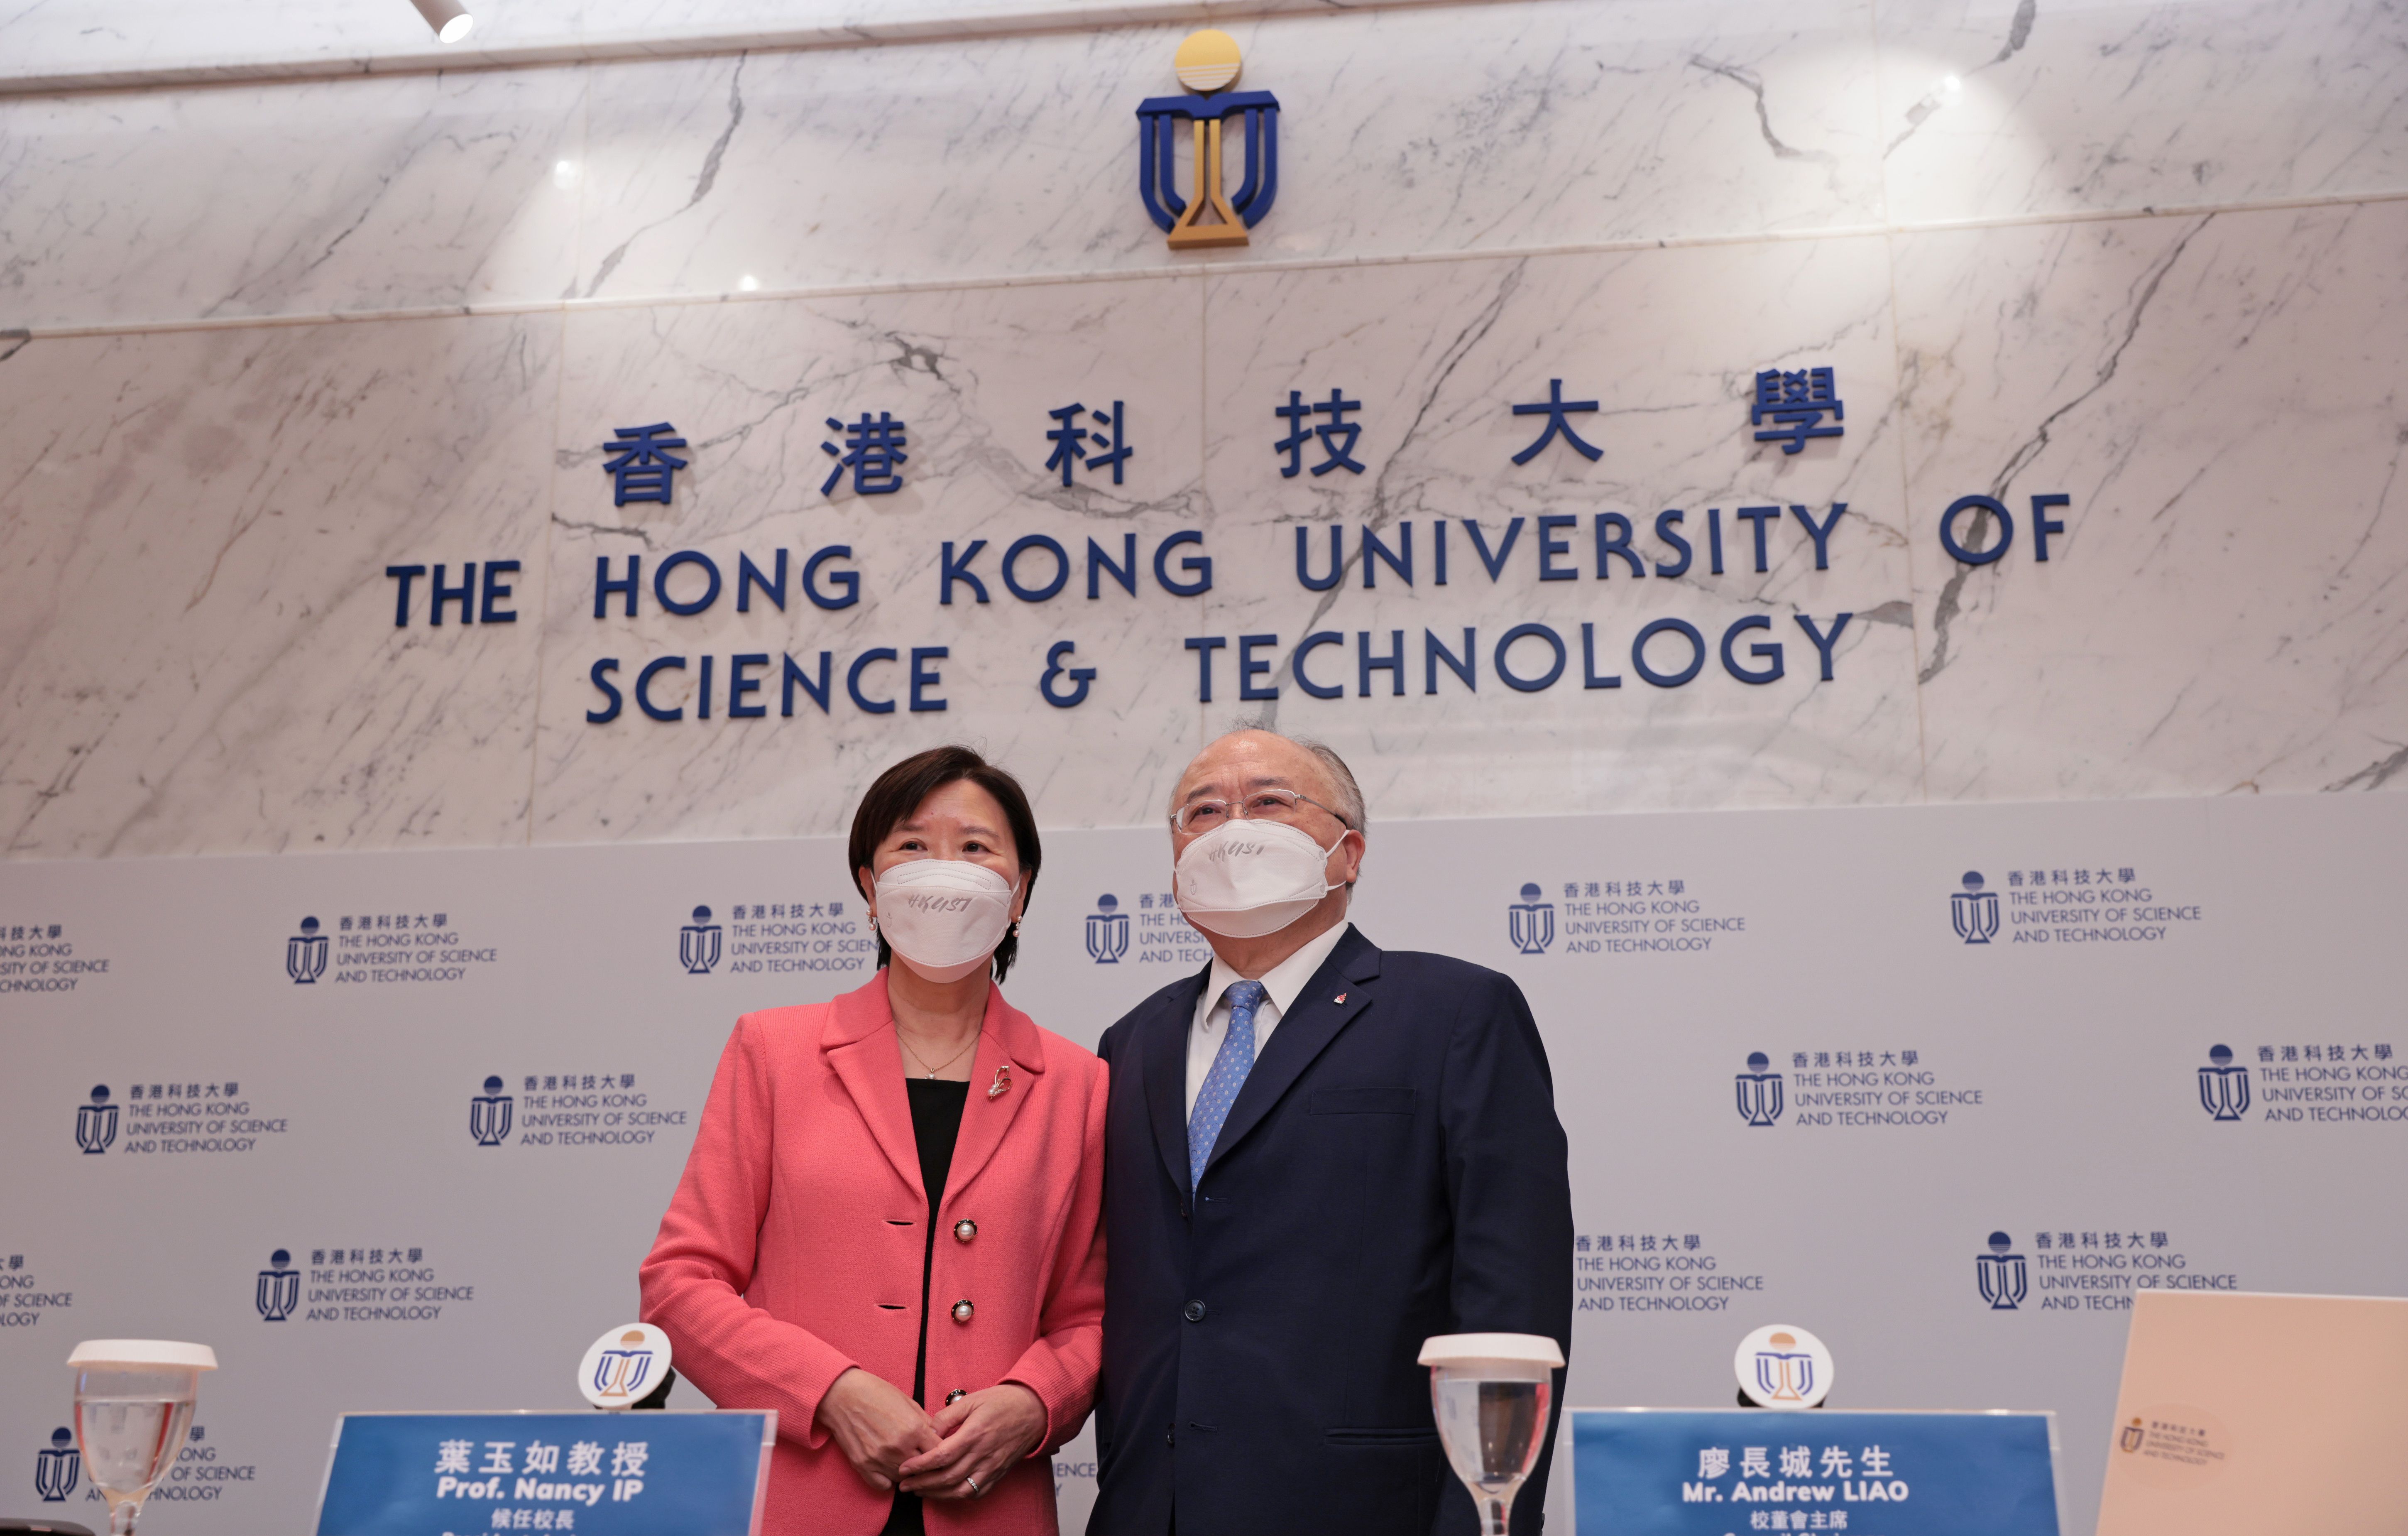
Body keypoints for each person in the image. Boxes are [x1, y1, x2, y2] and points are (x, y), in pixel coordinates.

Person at [1087, 728, 1573, 1535]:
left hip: (1367, 1510)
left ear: (1347, 854)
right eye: (1203, 811)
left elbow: (1511, 1300)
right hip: (1150, 1509)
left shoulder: (1454, 1013)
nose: (1232, 828)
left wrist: (1487, 1519)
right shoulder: (1131, 1041)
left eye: (1269, 802)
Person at [642, 746, 1109, 1536]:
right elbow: (680, 1285)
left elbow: (1090, 1317)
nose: (944, 869)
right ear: (869, 884)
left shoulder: (1079, 1083)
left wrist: (1035, 1403)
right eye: (913, 845)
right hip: (800, 1500)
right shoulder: (774, 1051)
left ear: (1020, 891)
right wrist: (830, 1391)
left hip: (992, 1507)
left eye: (975, 846)